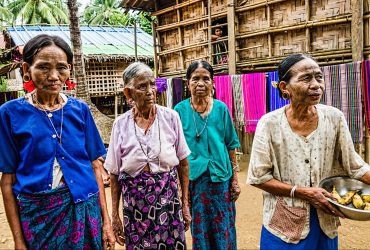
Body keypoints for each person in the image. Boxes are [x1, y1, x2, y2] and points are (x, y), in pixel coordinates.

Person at [247, 53, 370, 250]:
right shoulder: (269, 124)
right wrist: (303, 193)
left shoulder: (335, 118)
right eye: (306, 78)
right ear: (284, 87)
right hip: (284, 224)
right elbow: (258, 177)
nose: (316, 84)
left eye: (319, 77)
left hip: (325, 220)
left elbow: (353, 165)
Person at [0, 34, 116, 249]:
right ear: (27, 69)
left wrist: (106, 223)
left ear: (69, 69)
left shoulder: (80, 110)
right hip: (39, 215)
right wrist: (18, 240)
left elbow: (95, 167)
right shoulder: (10, 114)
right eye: (44, 67)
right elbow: (7, 182)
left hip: (84, 210)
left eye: (61, 67)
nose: (54, 76)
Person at [105, 62, 191, 249]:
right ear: (128, 93)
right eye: (142, 86)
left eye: (152, 84)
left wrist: (185, 204)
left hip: (169, 203)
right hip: (135, 208)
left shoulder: (171, 117)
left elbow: (183, 164)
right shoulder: (120, 124)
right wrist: (115, 216)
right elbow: (113, 174)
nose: (150, 91)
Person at [174, 60, 241, 250]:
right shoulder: (179, 111)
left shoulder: (221, 109)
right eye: (195, 79)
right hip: (194, 180)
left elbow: (231, 144)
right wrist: (181, 187)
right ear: (188, 83)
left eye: (206, 79)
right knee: (200, 227)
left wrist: (235, 179)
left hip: (220, 179)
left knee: (224, 226)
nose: (201, 83)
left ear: (213, 83)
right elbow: (176, 151)